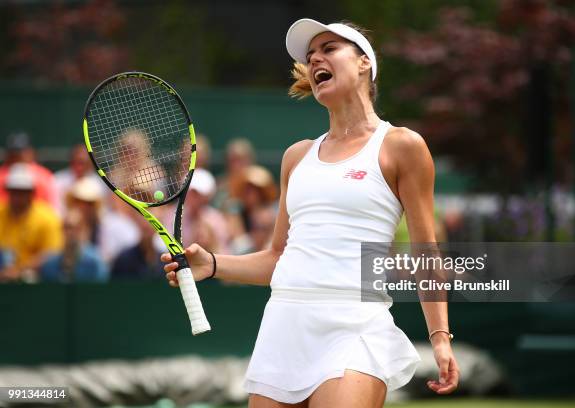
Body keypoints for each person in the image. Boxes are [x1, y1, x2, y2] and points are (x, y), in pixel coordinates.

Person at [162, 18, 459, 407]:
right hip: (284, 327)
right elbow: (278, 258)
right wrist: (213, 264)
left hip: (355, 327)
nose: (315, 58)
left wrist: (439, 337)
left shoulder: (402, 146)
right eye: (311, 55)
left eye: (329, 49)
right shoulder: (296, 157)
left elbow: (426, 251)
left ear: (365, 63)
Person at [0, 163, 63, 282]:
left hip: (34, 275)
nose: (17, 196)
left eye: (22, 192)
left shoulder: (46, 216)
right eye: (14, 191)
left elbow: (52, 252)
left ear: (31, 193)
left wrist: (19, 270)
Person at [39, 209, 109, 283]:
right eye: (67, 227)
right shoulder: (50, 264)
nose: (70, 232)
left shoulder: (95, 263)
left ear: (83, 230)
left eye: (76, 228)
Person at [0, 131, 60, 210]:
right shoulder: (2, 174)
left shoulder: (44, 177)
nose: (17, 155)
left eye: (21, 152)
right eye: (13, 152)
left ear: (30, 151)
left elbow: (52, 208)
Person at [54, 143, 107, 215]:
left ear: (91, 163)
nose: (79, 167)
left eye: (83, 163)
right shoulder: (57, 180)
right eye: (77, 161)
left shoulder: (100, 185)